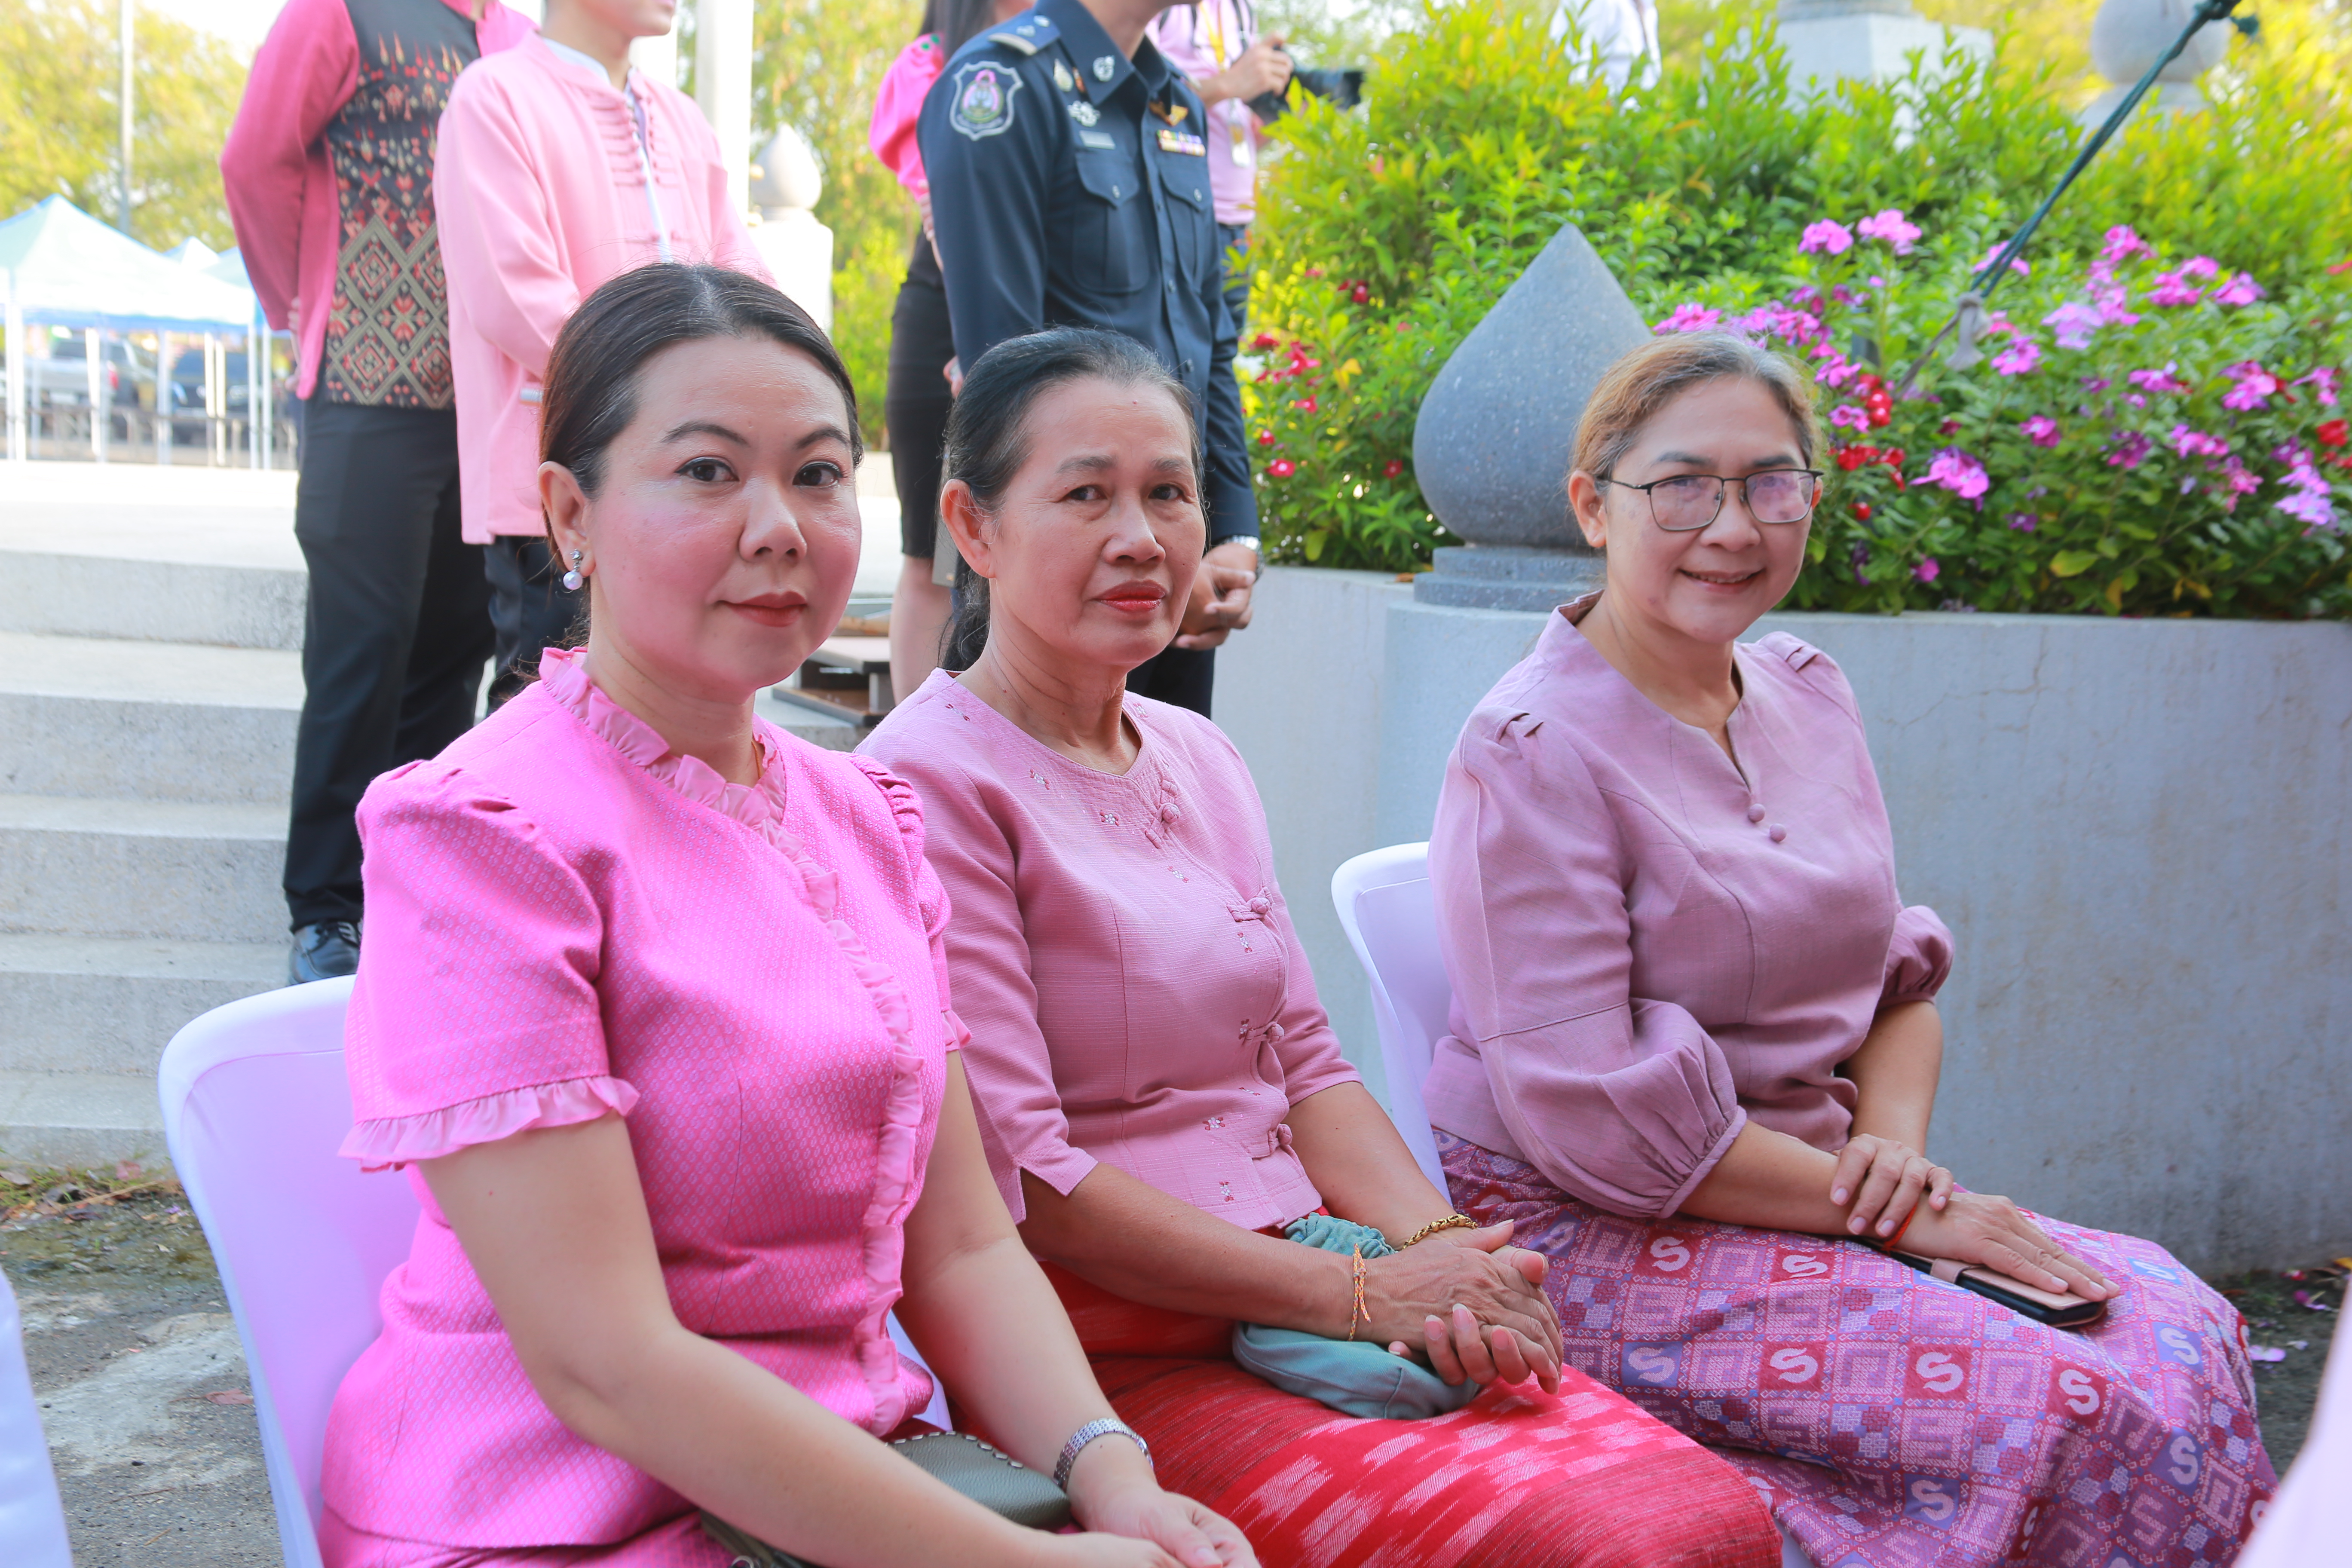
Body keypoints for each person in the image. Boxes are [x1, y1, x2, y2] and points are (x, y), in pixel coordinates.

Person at [320, 265, 1255, 1568]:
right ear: (568, 512)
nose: (780, 526)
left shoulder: (869, 817)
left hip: (845, 1497)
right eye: (708, 472)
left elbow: (968, 1245)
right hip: (557, 1513)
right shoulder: (482, 836)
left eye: (818, 475)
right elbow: (609, 1366)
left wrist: (1113, 1479)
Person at [863, 327, 1784, 1568]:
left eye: (1171, 492)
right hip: (1115, 1373)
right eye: (1087, 494)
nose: (1142, 537)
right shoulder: (925, 789)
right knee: (1602, 1541)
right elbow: (1031, 1185)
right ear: (973, 527)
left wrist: (1440, 1257)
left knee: (1702, 1516)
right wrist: (1363, 1296)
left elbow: (1306, 1061)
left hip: (1322, 1314)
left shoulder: (1198, 755)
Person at [1425, 331, 2276, 1566]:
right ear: (1591, 507)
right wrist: (1887, 1217)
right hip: (1593, 1229)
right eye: (1681, 486)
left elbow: (1892, 986)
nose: (1732, 526)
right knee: (2069, 1400)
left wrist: (1893, 1164)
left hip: (1817, 1190)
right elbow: (1590, 1121)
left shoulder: (1809, 692)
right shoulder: (1528, 749)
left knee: (2183, 1323)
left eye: (1772, 484)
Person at [221, 0, 535, 984]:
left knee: (452, 651)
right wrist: (299, 307)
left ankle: (404, 880)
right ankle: (323, 911)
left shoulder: (517, 37)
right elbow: (254, 161)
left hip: (482, 404)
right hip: (365, 388)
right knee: (362, 649)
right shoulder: (340, 11)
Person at [920, 0, 1262, 719]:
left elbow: (1208, 341)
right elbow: (1001, 375)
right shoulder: (1002, 86)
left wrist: (1230, 535)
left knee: (1165, 807)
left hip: (1169, 555)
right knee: (1018, 806)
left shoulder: (1176, 103)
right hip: (1053, 565)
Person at [434, 0, 771, 707]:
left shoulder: (680, 117)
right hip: (560, 480)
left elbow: (741, 273)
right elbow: (512, 293)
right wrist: (678, 396)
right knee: (553, 710)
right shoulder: (495, 96)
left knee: (678, 704)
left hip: (696, 475)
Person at [869, 0, 1027, 704]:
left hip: (1027, 321)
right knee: (926, 558)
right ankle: (910, 777)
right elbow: (943, 209)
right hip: (942, 314)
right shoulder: (930, 64)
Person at [1145, 1, 1288, 336]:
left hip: (1240, 222)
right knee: (1173, 356)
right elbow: (1141, 101)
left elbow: (1241, 129)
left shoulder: (1240, 11)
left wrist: (1282, 115)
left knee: (1224, 350)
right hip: (1180, 213)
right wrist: (1228, 84)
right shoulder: (1162, 9)